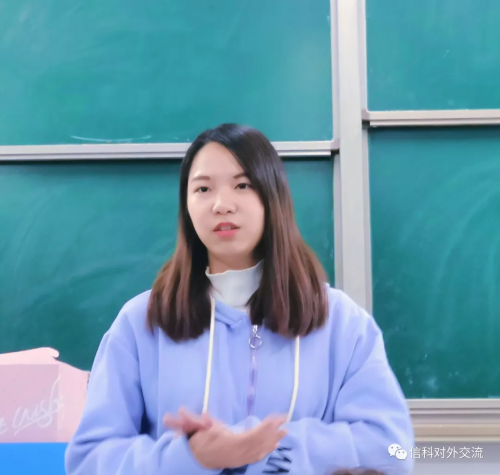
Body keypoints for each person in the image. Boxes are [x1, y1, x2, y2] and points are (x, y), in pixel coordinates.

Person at [65, 124, 414, 475]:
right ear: (186, 207)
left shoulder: (340, 321)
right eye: (203, 189)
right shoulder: (142, 321)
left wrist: (265, 448)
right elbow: (89, 460)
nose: (222, 205)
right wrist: (191, 458)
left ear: (272, 197)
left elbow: (394, 449)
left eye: (242, 185)